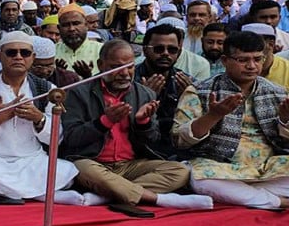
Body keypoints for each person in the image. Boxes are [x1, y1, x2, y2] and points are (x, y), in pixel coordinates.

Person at [59, 39, 212, 212]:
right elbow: (72, 138)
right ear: (101, 65)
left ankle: (107, 194)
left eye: (130, 66)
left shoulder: (144, 93)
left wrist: (143, 123)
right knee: (80, 168)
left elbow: (153, 139)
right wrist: (105, 122)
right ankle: (157, 199)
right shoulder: (78, 92)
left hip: (131, 165)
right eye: (117, 67)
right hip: (94, 163)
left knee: (181, 171)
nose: (125, 73)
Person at [0, 32, 83, 204]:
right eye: (11, 53)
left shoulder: (47, 89)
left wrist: (39, 119)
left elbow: (58, 138)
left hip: (31, 159)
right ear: (0, 56)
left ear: (32, 57)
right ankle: (40, 194)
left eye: (24, 53)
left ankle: (9, 192)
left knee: (67, 172)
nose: (18, 57)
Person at [174, 30, 289, 209]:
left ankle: (250, 196)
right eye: (243, 60)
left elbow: (284, 143)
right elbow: (180, 140)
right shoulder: (200, 91)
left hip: (269, 168)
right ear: (225, 61)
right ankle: (277, 201)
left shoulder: (278, 92)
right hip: (220, 167)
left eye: (258, 59)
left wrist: (284, 121)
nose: (252, 66)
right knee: (202, 180)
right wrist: (213, 116)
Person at [134, 23, 195, 159]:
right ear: (145, 50)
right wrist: (144, 97)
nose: (165, 54)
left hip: (176, 146)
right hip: (139, 147)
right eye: (158, 49)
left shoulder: (185, 80)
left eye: (172, 50)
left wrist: (189, 99)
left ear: (178, 53)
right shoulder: (130, 79)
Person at [55, 5, 100, 78]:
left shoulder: (101, 50)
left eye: (76, 23)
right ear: (59, 28)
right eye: (66, 25)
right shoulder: (52, 52)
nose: (71, 29)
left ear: (86, 25)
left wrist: (88, 77)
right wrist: (56, 77)